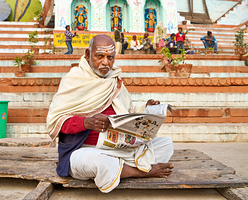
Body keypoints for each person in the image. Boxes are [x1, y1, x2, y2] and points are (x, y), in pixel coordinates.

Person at [47, 35, 174, 193]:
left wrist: (146, 108)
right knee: (98, 162)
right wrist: (86, 122)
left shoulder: (114, 80)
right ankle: (140, 172)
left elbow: (128, 111)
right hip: (86, 151)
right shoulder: (73, 80)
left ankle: (119, 169)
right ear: (88, 54)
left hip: (122, 149)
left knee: (166, 144)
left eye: (110, 57)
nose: (106, 62)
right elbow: (57, 122)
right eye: (99, 56)